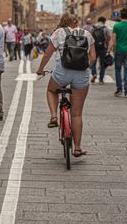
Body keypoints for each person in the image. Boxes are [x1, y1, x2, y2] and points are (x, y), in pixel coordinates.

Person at [36, 13, 96, 157]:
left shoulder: (59, 33)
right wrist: (86, 67)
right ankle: (77, 148)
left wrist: (40, 69)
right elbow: (93, 57)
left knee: (51, 90)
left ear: (62, 22)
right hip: (81, 74)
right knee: (76, 114)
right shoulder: (87, 34)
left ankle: (53, 117)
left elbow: (47, 54)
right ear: (76, 22)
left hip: (62, 73)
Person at [110, 8, 127, 98]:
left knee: (117, 70)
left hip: (119, 51)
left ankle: (119, 90)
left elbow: (113, 40)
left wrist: (109, 50)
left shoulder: (117, 26)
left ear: (120, 16)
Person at [90, 16, 110, 84]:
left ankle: (94, 74)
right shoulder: (105, 28)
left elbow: (89, 37)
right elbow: (108, 37)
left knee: (93, 62)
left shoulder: (93, 27)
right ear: (104, 21)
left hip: (94, 47)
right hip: (103, 48)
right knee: (102, 64)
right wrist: (107, 46)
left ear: (98, 20)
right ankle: (101, 79)